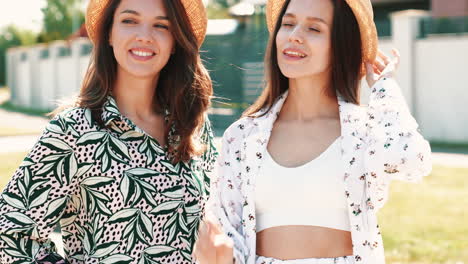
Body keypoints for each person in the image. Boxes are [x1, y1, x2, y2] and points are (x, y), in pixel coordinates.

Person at [194, 0, 432, 263]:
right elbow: (225, 228)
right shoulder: (242, 136)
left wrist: (384, 89)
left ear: (340, 45)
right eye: (288, 24)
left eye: (314, 29)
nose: (294, 36)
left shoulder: (363, 130)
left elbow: (412, 160)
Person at [0, 0, 217, 263]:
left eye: (161, 25)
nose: (144, 36)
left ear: (175, 43)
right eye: (130, 20)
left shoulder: (192, 126)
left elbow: (222, 221)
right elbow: (11, 235)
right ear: (109, 34)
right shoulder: (74, 130)